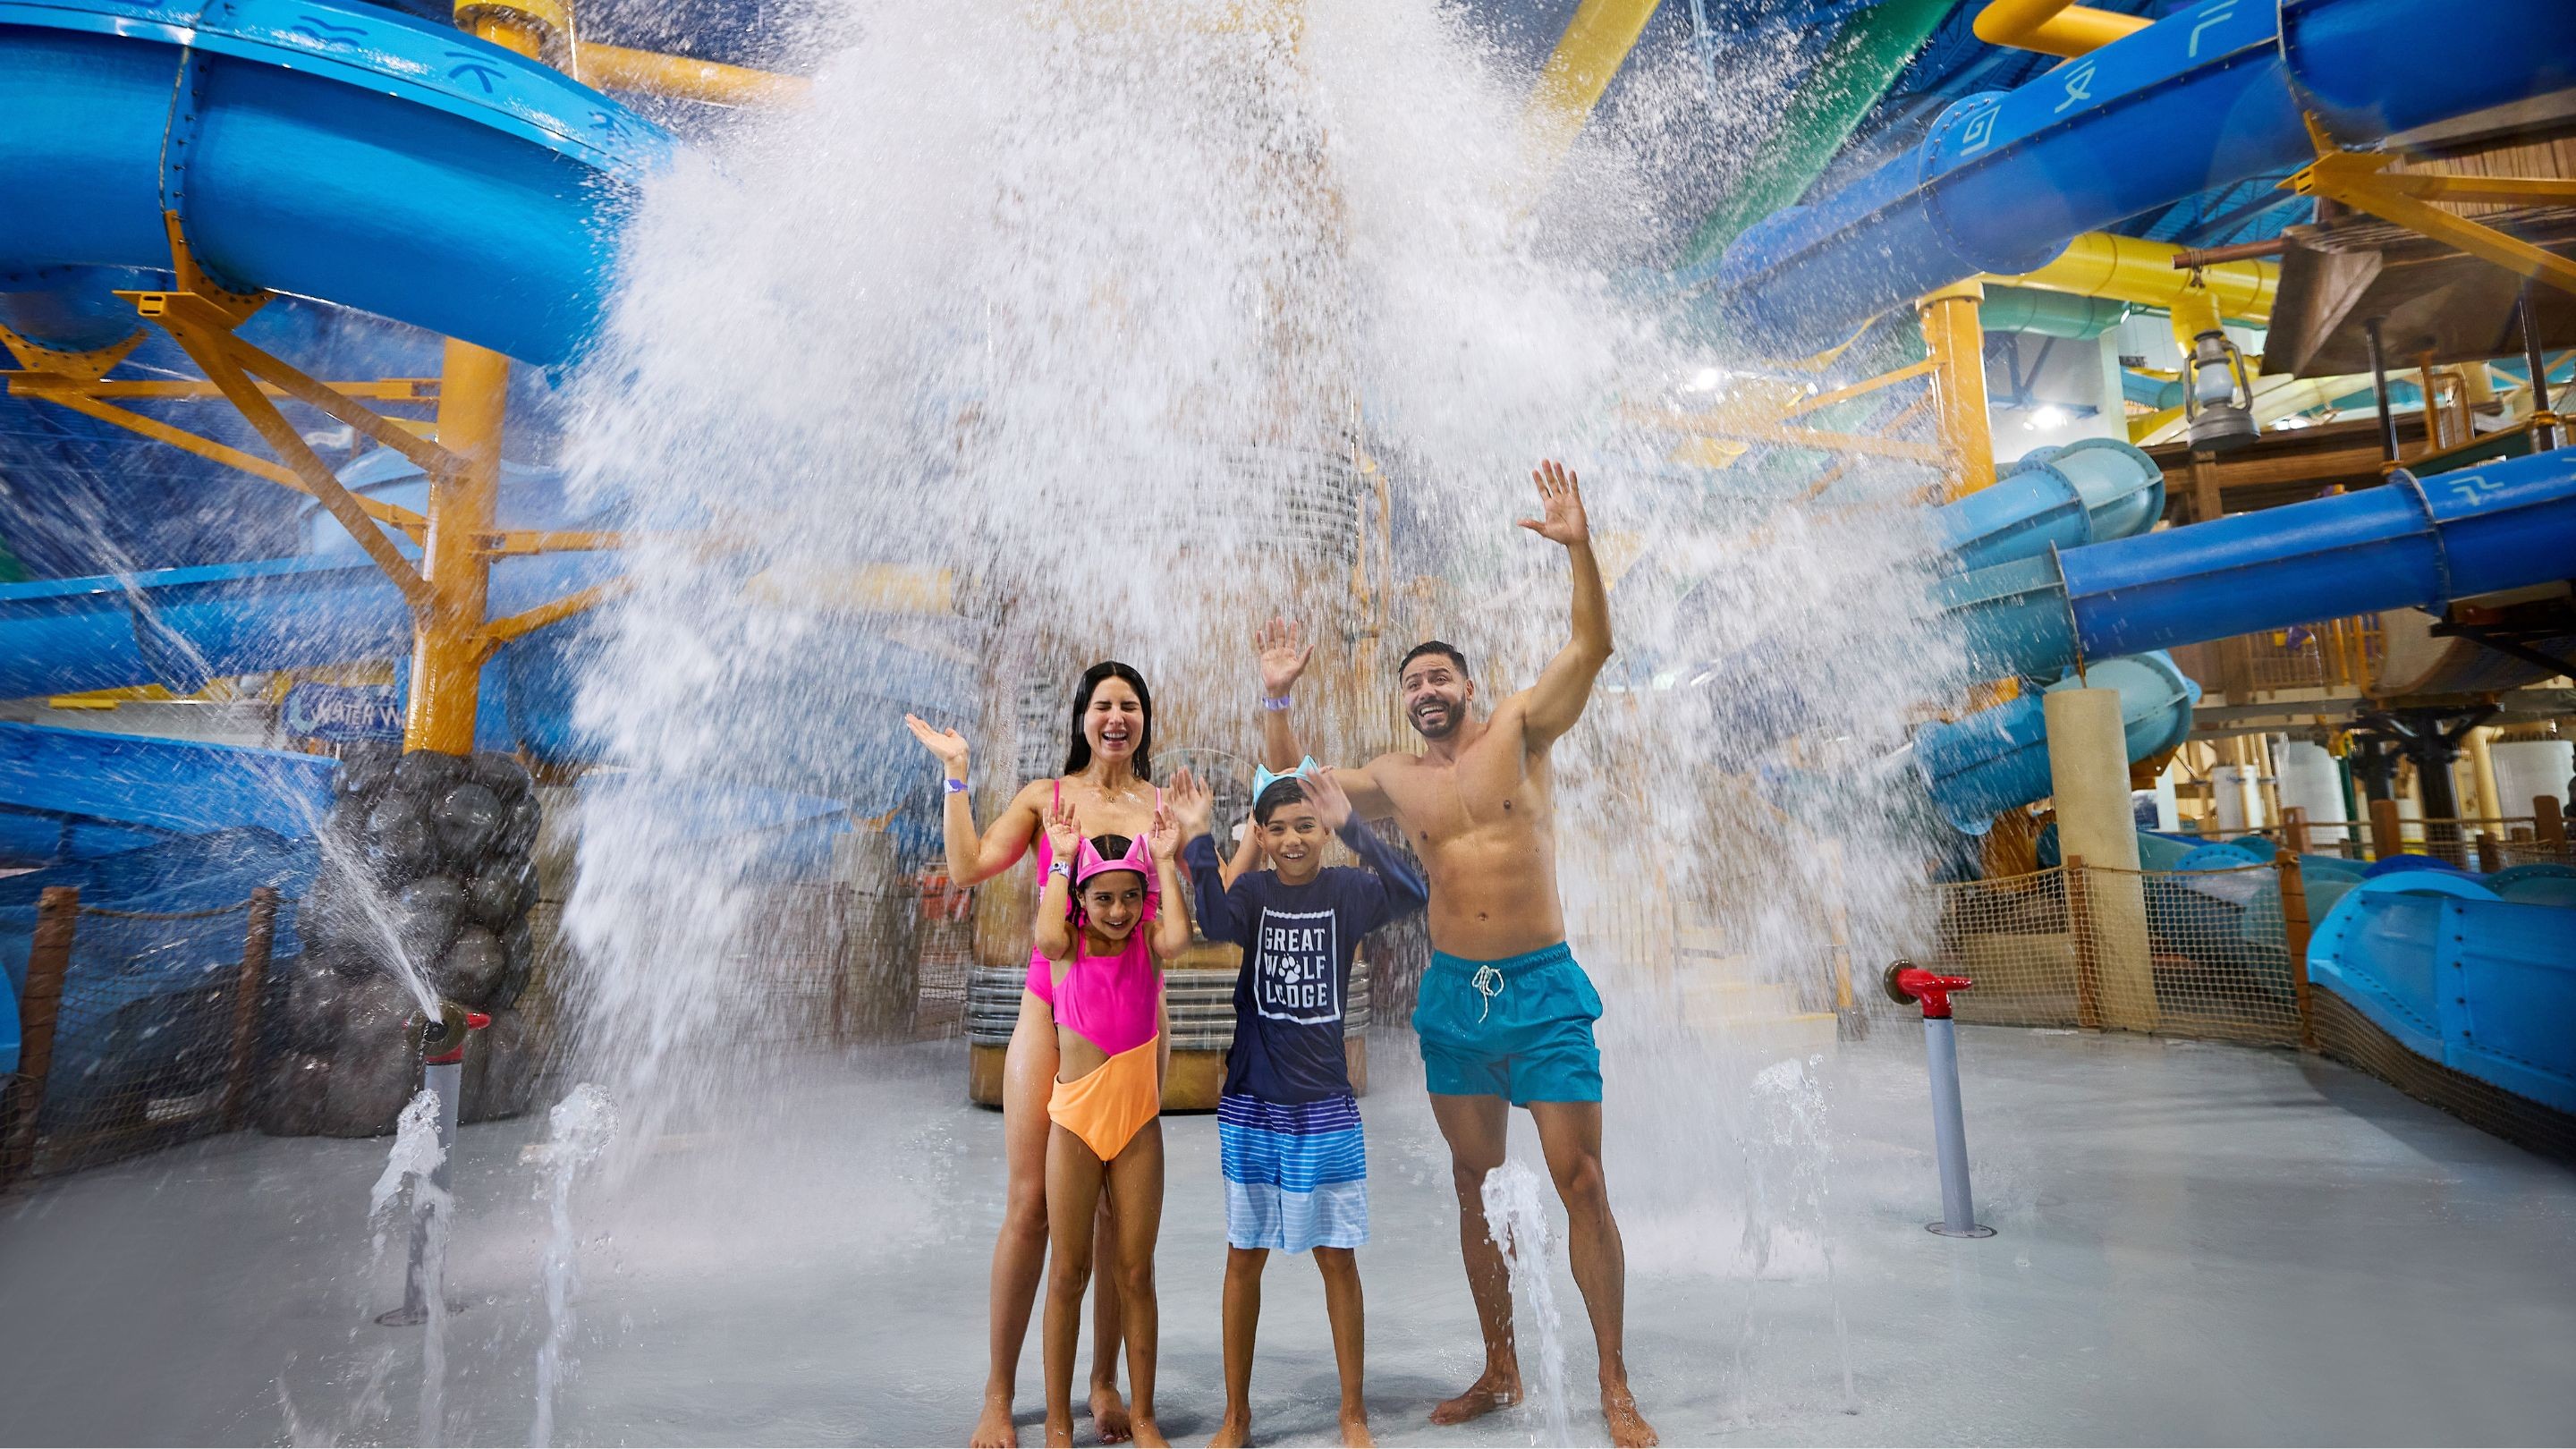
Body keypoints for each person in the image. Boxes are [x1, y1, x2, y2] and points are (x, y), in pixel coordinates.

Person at [1255, 462, 1657, 1446]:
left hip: (1543, 984)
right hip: (1457, 996)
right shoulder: (1393, 779)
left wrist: (1580, 548)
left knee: (1581, 1182)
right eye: (1412, 684)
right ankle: (1502, 1366)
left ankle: (1612, 1379)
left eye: (1439, 677)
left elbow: (1593, 645)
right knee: (1476, 1182)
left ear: (1467, 685)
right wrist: (1277, 697)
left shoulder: (1521, 729)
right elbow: (1284, 783)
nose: (1426, 690)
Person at [904, 662, 1173, 1447]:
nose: (1115, 718)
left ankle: (1102, 1383)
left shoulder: (1161, 809)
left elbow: (1174, 920)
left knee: (1118, 1215)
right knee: (1032, 1205)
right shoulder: (1045, 798)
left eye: (1128, 706)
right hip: (1048, 1012)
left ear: (1144, 720)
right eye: (1102, 705)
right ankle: (999, 1392)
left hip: (1131, 1023)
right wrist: (957, 777)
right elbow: (966, 868)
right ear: (1083, 718)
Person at [1171, 765, 1428, 1449]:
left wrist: (1356, 829)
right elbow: (1212, 919)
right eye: (1277, 828)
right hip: (1253, 1102)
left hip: (1325, 1106)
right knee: (1242, 1255)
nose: (1291, 839)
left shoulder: (1347, 889)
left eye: (1306, 827)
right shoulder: (1251, 892)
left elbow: (1412, 890)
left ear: (1323, 832)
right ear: (1260, 833)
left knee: (1337, 1256)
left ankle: (1353, 1411)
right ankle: (1237, 1414)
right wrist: (1199, 837)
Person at [1030, 796, 1191, 1449]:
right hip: (1074, 1125)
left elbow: (1177, 936)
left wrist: (1166, 861)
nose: (1118, 911)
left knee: (1135, 1273)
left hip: (1136, 1127)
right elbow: (1043, 934)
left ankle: (1144, 1413)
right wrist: (1063, 863)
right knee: (1068, 1273)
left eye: (1130, 898)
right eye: (1105, 899)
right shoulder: (1065, 945)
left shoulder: (1149, 944)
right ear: (1083, 900)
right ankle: (1059, 1420)